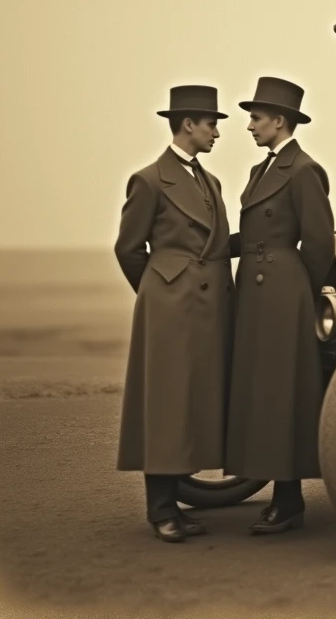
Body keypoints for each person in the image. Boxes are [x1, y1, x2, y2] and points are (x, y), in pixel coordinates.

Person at [113, 85, 235, 543]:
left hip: (206, 309)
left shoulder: (211, 181)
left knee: (190, 404)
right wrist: (160, 291)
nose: (217, 133)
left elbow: (216, 244)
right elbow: (128, 249)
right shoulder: (148, 180)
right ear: (188, 125)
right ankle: (161, 509)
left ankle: (177, 506)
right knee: (166, 405)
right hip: (171, 310)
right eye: (211, 124)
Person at [224, 76, 336, 535]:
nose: (248, 126)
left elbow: (320, 244)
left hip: (284, 291)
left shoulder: (304, 169)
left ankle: (289, 500)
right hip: (253, 290)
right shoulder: (259, 171)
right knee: (259, 390)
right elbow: (250, 236)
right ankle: (268, 482)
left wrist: (300, 297)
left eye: (255, 118)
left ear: (279, 121)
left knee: (281, 393)